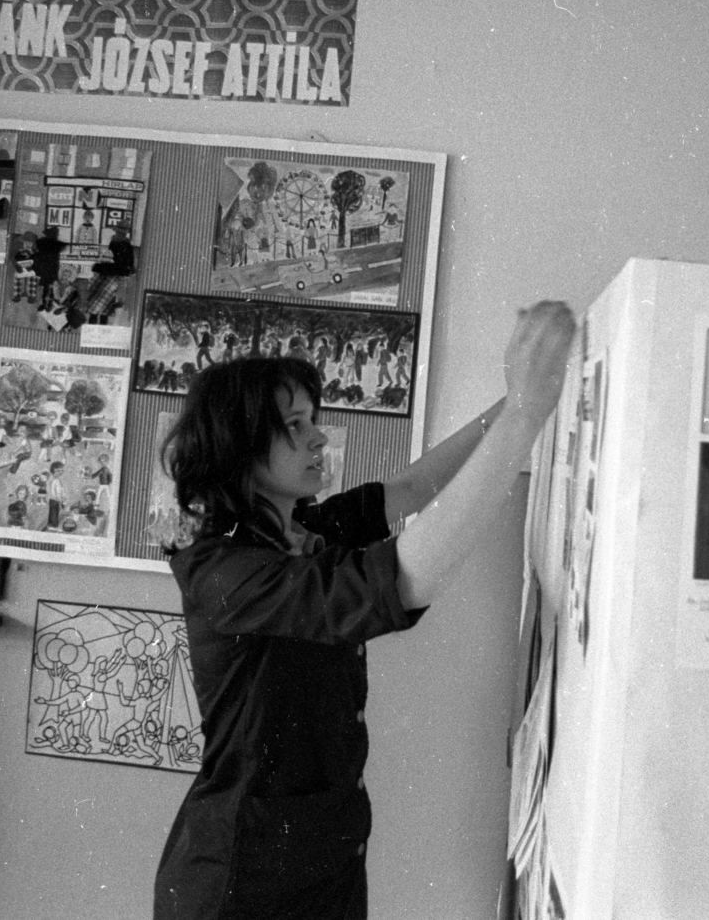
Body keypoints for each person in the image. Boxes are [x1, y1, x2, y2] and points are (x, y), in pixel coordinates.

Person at [153, 301, 575, 920]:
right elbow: (405, 578)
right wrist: (527, 412)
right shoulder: (226, 573)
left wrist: (523, 400)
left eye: (313, 418)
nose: (319, 435)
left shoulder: (302, 528)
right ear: (241, 449)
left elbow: (409, 489)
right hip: (242, 885)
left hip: (321, 855)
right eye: (295, 425)